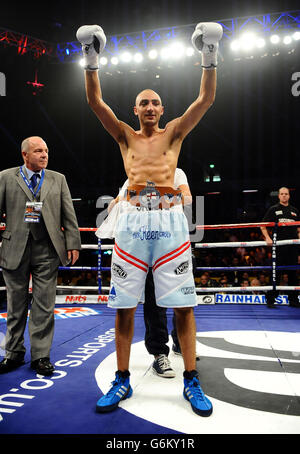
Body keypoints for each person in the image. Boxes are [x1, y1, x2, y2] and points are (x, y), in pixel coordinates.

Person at [77, 21, 223, 416]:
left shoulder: (174, 133)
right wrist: (92, 59)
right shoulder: (124, 136)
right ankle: (122, 378)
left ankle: (191, 379)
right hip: (133, 224)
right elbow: (95, 104)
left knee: (183, 307)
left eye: (155, 102)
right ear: (135, 110)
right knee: (125, 307)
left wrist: (209, 55)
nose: (150, 107)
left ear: (162, 109)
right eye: (143, 102)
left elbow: (205, 100)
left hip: (170, 224)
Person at [98, 169, 199, 379]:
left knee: (182, 303)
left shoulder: (176, 173)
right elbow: (112, 205)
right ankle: (159, 354)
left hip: (170, 241)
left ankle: (180, 344)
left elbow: (187, 198)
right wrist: (127, 200)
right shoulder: (133, 175)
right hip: (140, 244)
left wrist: (153, 198)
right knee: (153, 302)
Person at [0, 136, 81, 375]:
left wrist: (73, 243)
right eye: (38, 151)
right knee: (15, 305)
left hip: (47, 248)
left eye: (46, 150)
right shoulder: (5, 177)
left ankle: (41, 356)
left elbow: (69, 213)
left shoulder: (58, 179)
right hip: (15, 248)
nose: (44, 155)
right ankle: (13, 353)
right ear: (25, 155)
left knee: (44, 305)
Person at [260, 187, 300, 308]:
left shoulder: (295, 211)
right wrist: (267, 238)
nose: (284, 196)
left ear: (289, 196)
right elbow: (263, 225)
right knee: (276, 273)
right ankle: (271, 299)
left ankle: (293, 300)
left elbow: (299, 228)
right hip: (278, 247)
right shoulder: (273, 209)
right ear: (278, 196)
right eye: (282, 194)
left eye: (286, 194)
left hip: (292, 247)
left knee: (293, 273)